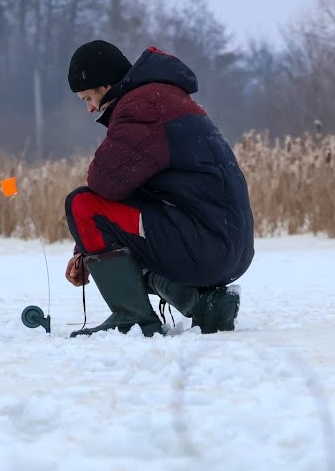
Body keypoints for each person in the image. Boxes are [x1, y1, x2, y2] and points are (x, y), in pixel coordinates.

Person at [62, 40, 254, 337]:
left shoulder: (142, 107)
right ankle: (203, 303)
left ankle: (132, 318)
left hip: (205, 243)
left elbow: (103, 182)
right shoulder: (165, 98)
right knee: (126, 236)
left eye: (88, 97)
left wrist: (89, 248)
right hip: (227, 245)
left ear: (106, 85)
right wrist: (84, 250)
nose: (89, 108)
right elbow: (132, 189)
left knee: (81, 204)